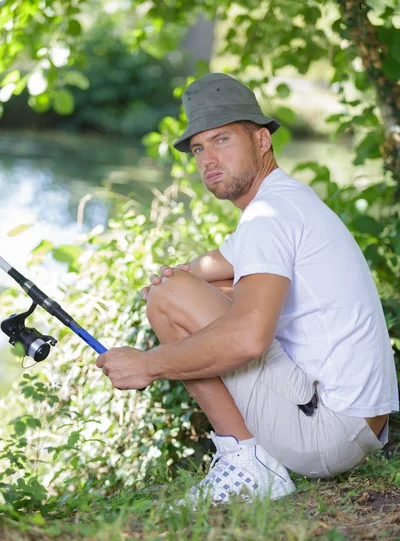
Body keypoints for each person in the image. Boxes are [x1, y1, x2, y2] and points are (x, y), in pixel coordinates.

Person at [96, 73, 399, 507]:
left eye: (222, 140)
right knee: (192, 288)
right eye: (199, 148)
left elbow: (249, 338)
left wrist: (148, 364)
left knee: (170, 297)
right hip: (354, 427)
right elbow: (207, 269)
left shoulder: (268, 217)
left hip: (326, 430)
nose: (208, 159)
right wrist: (177, 281)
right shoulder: (286, 202)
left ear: (261, 141)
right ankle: (253, 457)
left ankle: (249, 462)